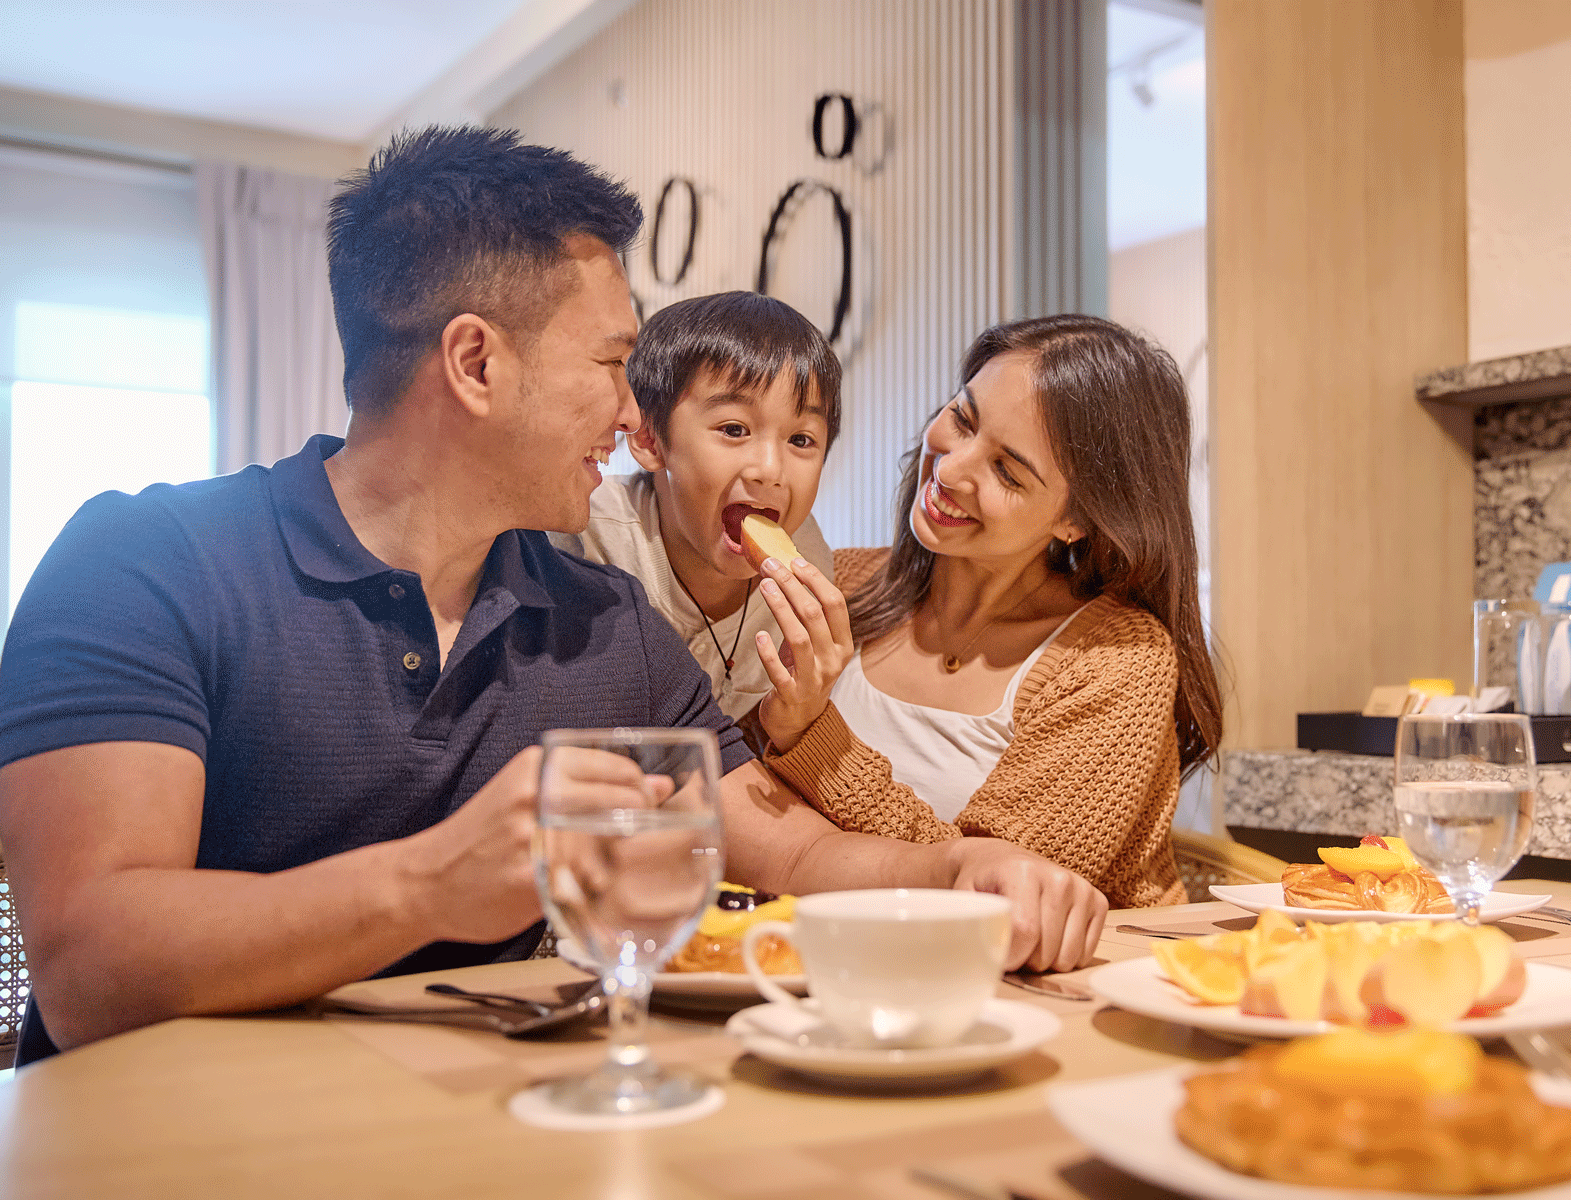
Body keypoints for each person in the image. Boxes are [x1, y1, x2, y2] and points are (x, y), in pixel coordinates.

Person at [0, 128, 1105, 1063]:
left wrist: (953, 869)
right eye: (612, 364)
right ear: (475, 365)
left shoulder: (604, 623)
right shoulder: (144, 561)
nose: (636, 417)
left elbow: (791, 853)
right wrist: (432, 885)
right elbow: (91, 963)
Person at [750, 314, 1224, 909]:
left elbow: (997, 893)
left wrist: (812, 737)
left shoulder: (1116, 659)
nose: (949, 469)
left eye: (1006, 470)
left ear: (1077, 519)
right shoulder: (840, 583)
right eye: (962, 419)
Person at [555, 291, 839, 720]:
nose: (769, 469)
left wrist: (797, 719)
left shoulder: (808, 562)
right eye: (734, 429)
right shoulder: (587, 538)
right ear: (650, 438)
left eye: (800, 440)